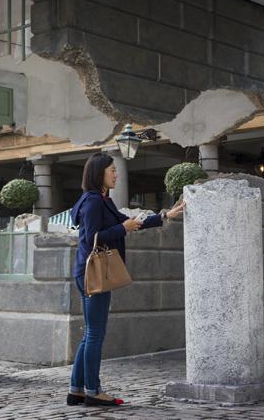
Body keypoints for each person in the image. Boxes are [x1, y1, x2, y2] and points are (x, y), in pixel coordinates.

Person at [67, 152, 184, 407]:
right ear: (100, 173)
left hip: (89, 272)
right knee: (96, 333)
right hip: (93, 273)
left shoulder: (102, 200)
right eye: (112, 170)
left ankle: (76, 390)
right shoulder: (93, 202)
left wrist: (166, 216)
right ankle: (93, 391)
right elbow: (90, 239)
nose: (116, 174)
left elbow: (132, 222)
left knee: (90, 333)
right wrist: (122, 229)